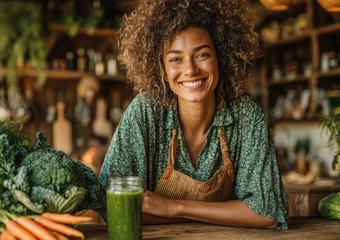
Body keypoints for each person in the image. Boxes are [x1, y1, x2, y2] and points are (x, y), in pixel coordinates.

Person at [98, 0, 289, 230]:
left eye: (202, 55)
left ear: (222, 59)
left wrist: (173, 207)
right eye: (175, 59)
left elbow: (267, 213)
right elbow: (113, 206)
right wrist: (227, 213)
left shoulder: (245, 114)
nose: (190, 69)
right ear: (163, 72)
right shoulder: (146, 111)